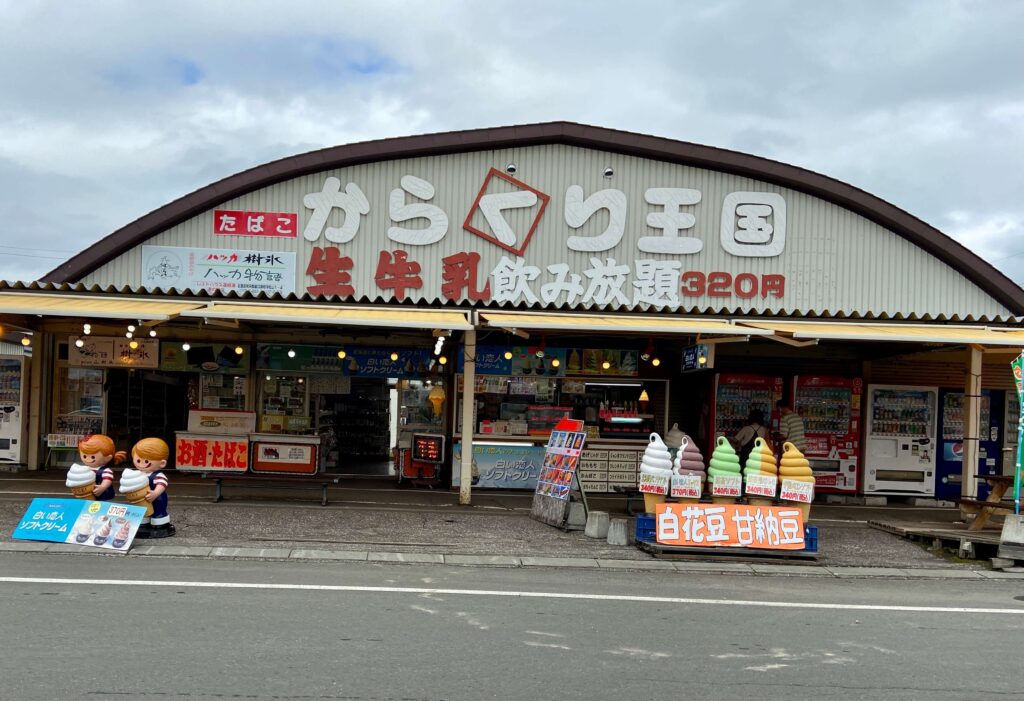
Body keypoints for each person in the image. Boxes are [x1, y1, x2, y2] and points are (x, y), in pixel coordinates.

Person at [132, 437, 175, 538]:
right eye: (138, 460)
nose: (142, 464)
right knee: (143, 511)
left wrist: (155, 493)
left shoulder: (158, 475)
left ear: (162, 463)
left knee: (158, 511)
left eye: (146, 461)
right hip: (142, 499)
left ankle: (160, 524)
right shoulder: (137, 474)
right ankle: (143, 523)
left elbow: (162, 484)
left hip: (157, 498)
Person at [76, 434, 128, 500]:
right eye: (84, 456)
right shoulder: (85, 469)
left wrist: (103, 487)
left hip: (103, 495)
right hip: (88, 495)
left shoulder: (105, 471)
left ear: (108, 457)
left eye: (93, 457)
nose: (88, 459)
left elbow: (107, 479)